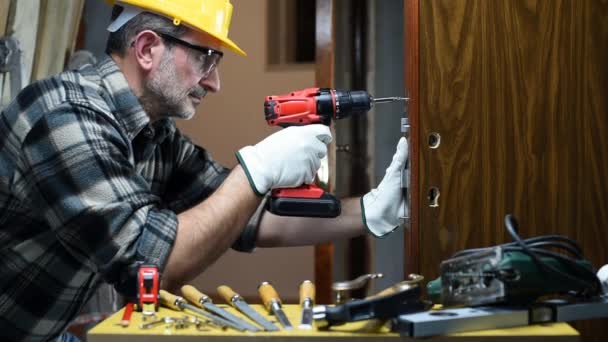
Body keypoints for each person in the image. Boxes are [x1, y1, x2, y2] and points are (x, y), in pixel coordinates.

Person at [0, 0, 408, 340]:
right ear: (146, 48)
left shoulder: (156, 134)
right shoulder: (64, 117)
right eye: (206, 58)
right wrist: (257, 170)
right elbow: (152, 264)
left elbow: (249, 215)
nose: (215, 83)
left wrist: (372, 211)